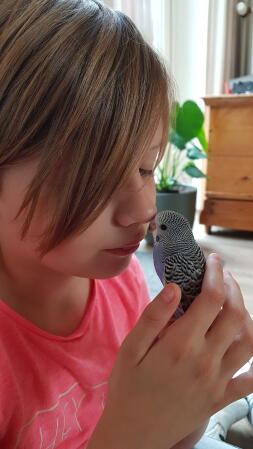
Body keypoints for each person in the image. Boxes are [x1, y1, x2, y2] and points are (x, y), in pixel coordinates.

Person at [0, 1, 252, 448]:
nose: (143, 210)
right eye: (94, 177)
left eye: (146, 168)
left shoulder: (127, 285)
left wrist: (192, 400)